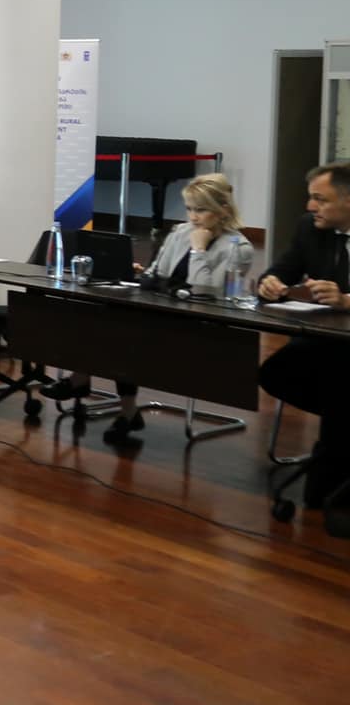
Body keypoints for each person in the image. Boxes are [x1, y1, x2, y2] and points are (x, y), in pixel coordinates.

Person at [44, 174, 254, 445]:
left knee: (121, 329)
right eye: (189, 209)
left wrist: (198, 250)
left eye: (201, 210)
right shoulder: (180, 233)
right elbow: (157, 273)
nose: (193, 217)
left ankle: (85, 383)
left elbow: (205, 291)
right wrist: (142, 274)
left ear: (223, 210)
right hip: (164, 310)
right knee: (109, 316)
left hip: (199, 323)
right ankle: (122, 407)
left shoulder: (239, 247)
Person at [257, 162, 350, 509]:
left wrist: (346, 300)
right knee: (276, 372)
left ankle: (333, 456)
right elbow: (280, 271)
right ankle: (336, 452)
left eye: (320, 199)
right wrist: (269, 284)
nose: (311, 207)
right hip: (325, 342)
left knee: (340, 392)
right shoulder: (309, 228)